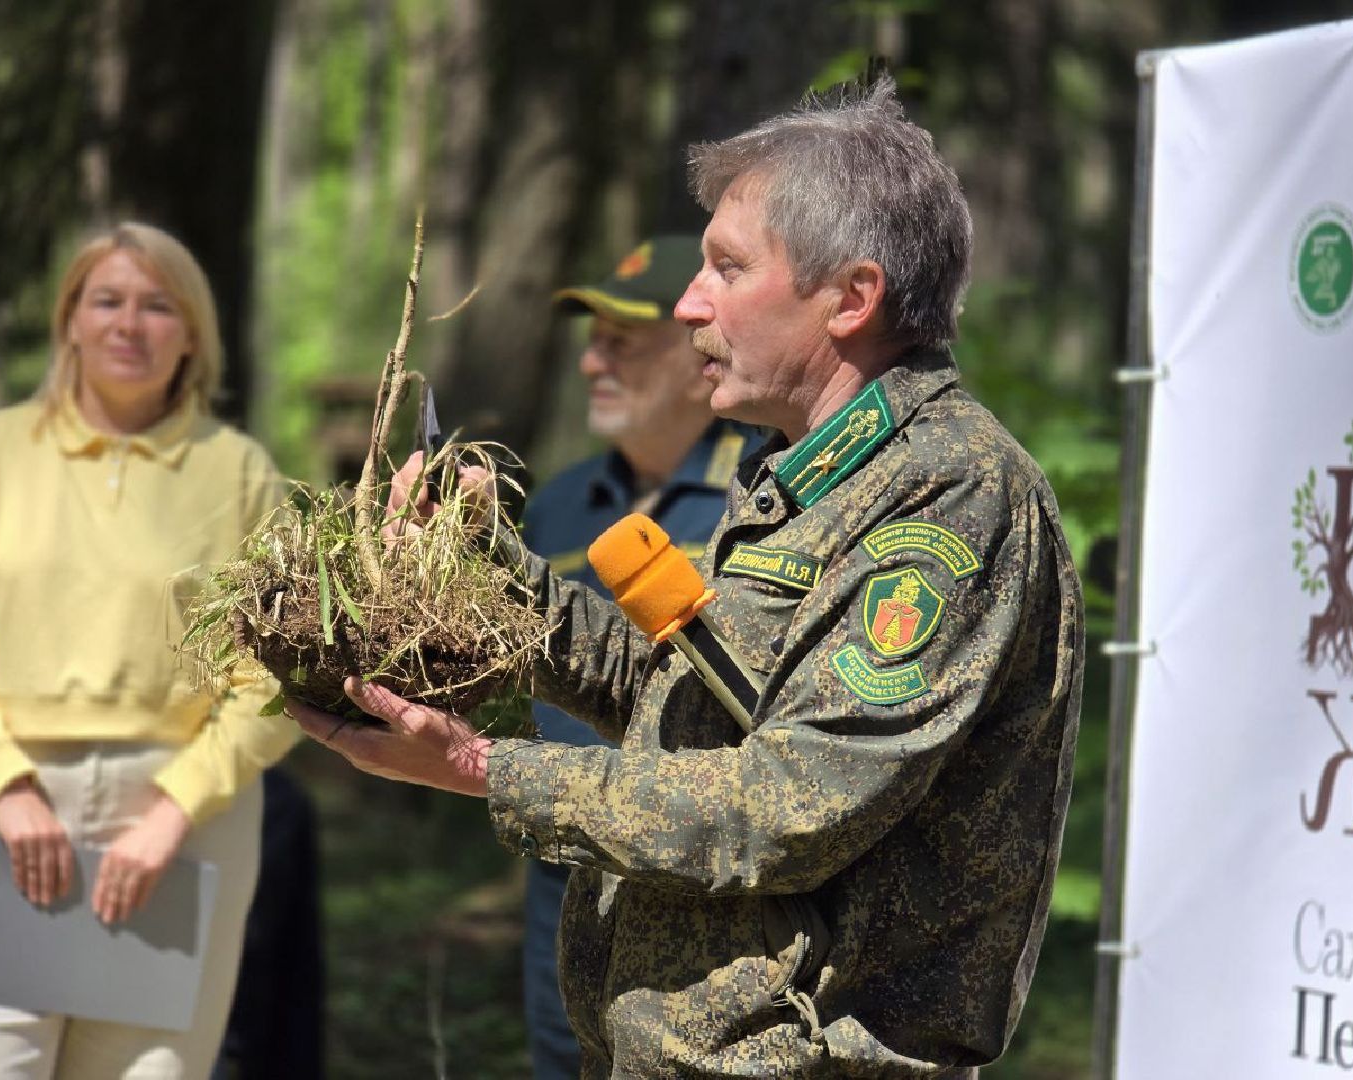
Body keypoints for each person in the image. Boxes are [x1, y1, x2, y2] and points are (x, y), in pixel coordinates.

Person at [290, 77, 1084, 1077]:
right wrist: (488, 571)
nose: (687, 302)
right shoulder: (806, 473)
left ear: (852, 298)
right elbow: (686, 700)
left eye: (728, 267)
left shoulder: (951, 495)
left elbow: (793, 802)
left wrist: (488, 769)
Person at [0, 221, 299, 1078]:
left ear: (193, 334)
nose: (130, 324)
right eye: (107, 301)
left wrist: (173, 811)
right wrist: (7, 787)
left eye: (158, 306)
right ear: (70, 321)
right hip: (8, 814)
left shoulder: (241, 473)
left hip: (183, 827)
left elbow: (278, 676)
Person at [522, 234, 760, 1078]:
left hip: (701, 889)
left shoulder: (760, 495)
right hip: (562, 869)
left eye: (622, 342)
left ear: (699, 353)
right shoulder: (557, 505)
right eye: (593, 342)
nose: (594, 363)